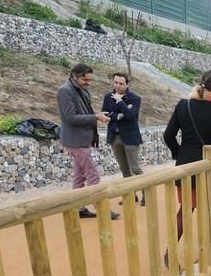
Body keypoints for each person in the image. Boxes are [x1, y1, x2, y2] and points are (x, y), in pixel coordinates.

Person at [163, 70, 211, 264]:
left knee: (185, 210)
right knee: (210, 211)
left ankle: (170, 252)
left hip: (185, 167)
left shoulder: (184, 105)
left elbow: (168, 136)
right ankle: (208, 253)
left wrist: (180, 153)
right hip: (208, 169)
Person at [57, 63, 118, 219]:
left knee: (79, 177)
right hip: (75, 141)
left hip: (82, 140)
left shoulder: (79, 89)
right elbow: (71, 118)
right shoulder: (65, 91)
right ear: (75, 76)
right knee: (93, 175)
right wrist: (96, 117)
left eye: (89, 80)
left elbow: (83, 112)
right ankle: (102, 209)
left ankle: (78, 208)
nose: (87, 83)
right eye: (85, 80)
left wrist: (96, 114)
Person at [102, 72, 145, 205]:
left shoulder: (135, 98)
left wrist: (120, 102)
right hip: (114, 137)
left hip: (131, 138)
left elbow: (131, 115)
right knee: (124, 169)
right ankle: (130, 195)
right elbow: (105, 114)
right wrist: (119, 115)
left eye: (121, 83)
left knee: (135, 168)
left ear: (127, 84)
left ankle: (146, 193)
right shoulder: (108, 97)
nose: (117, 86)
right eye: (115, 82)